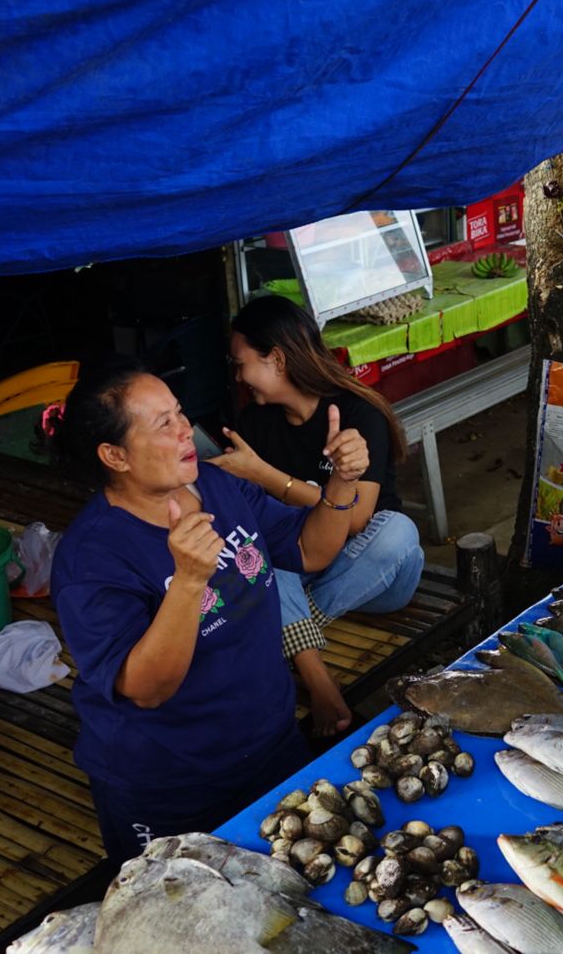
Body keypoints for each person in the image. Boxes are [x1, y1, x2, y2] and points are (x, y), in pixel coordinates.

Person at [49, 356, 369, 860]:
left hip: (272, 744)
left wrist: (342, 482)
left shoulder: (218, 486)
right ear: (115, 456)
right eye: (163, 424)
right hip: (173, 785)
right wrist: (189, 581)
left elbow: (311, 550)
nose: (184, 431)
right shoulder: (91, 557)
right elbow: (146, 689)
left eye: (179, 413)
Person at [210, 295, 424, 738]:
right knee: (263, 550)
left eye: (241, 363)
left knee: (399, 532)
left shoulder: (356, 413)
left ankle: (288, 627)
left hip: (375, 573)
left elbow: (358, 520)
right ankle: (318, 679)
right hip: (303, 565)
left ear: (277, 359)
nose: (238, 376)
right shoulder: (255, 423)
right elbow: (257, 522)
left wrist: (264, 475)